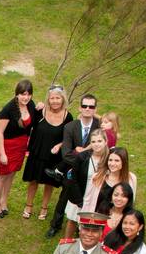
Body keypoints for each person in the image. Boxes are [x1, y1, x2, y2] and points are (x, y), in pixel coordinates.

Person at [45, 93, 101, 235]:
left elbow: (102, 149)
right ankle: (55, 225)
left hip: (92, 172)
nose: (87, 109)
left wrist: (78, 154)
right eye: (84, 106)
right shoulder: (70, 127)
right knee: (64, 197)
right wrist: (83, 157)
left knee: (88, 200)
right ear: (80, 108)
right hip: (72, 172)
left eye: (91, 106)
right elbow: (66, 154)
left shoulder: (100, 127)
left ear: (95, 109)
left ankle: (82, 228)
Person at [22, 85, 72, 221]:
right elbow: (25, 115)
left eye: (58, 98)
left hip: (53, 156)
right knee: (33, 181)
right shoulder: (40, 111)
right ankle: (28, 205)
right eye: (52, 98)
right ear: (48, 100)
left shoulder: (68, 117)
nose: (55, 101)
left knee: (49, 183)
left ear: (63, 100)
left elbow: (69, 138)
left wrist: (60, 145)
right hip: (37, 152)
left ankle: (44, 207)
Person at [0, 80, 40, 218]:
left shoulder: (31, 105)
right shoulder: (8, 110)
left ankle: (4, 200)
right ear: (17, 94)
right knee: (2, 175)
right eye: (22, 94)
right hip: (7, 145)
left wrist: (41, 107)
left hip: (21, 146)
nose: (25, 97)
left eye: (28, 94)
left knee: (12, 173)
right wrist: (2, 153)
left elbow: (35, 121)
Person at [62, 128, 110, 239]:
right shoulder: (82, 157)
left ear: (105, 141)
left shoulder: (110, 158)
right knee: (73, 219)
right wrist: (79, 200)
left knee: (92, 226)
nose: (96, 144)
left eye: (99, 141)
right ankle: (66, 243)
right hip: (80, 193)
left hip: (98, 197)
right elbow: (73, 179)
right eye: (93, 142)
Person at [94, 146, 138, 212]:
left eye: (117, 160)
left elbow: (131, 201)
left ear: (124, 162)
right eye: (110, 160)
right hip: (98, 218)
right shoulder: (98, 176)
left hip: (119, 218)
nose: (112, 163)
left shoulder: (131, 178)